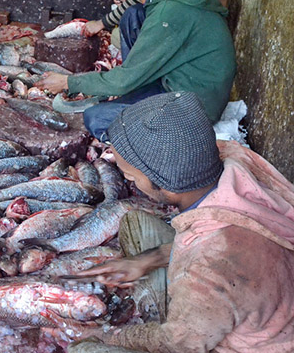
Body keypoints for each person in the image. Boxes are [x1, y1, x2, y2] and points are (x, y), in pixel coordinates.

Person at [68, 91, 294, 353]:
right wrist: (145, 260)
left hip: (242, 343)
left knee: (85, 350)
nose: (130, 182)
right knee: (135, 222)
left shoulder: (213, 268)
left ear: (166, 185)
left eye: (131, 177)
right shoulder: (231, 161)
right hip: (246, 292)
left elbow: (176, 344)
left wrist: (105, 337)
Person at [36, 0, 236, 141]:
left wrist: (68, 82)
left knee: (97, 118)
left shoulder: (169, 14)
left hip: (195, 106)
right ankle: (137, 90)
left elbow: (124, 80)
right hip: (180, 80)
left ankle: (147, 139)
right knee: (133, 15)